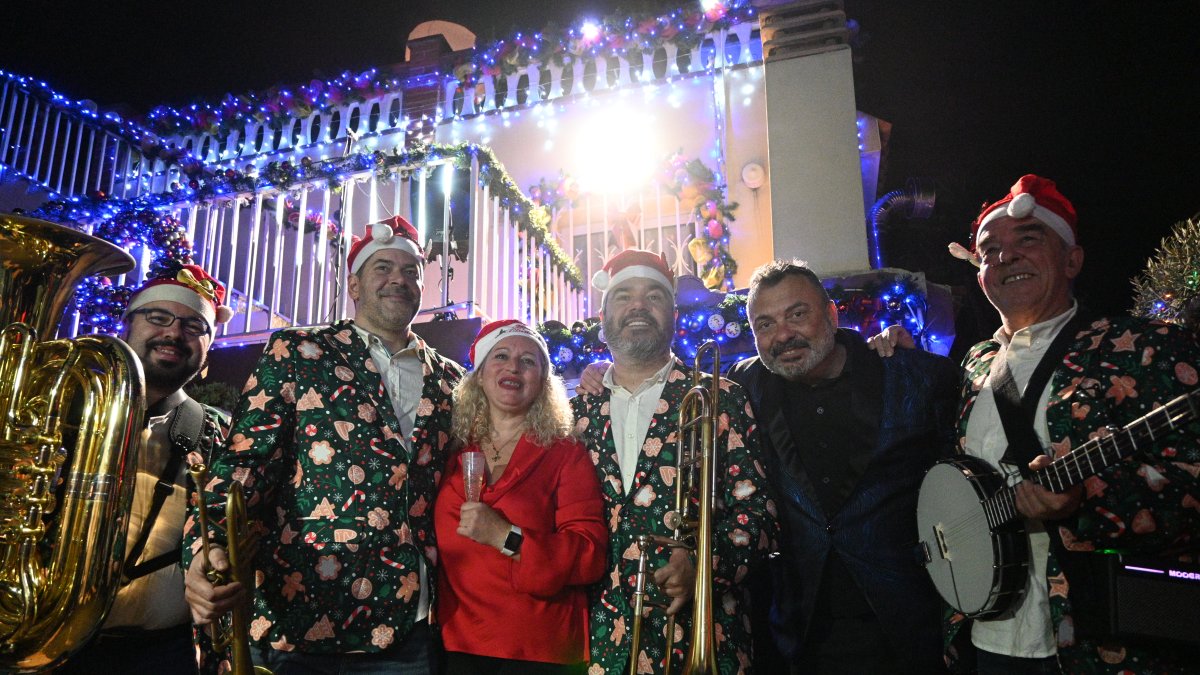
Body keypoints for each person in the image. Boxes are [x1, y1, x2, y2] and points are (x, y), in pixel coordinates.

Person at [183, 216, 464, 673]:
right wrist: (208, 548)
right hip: (300, 619)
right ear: (353, 286)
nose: (399, 278)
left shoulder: (452, 379)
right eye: (383, 268)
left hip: (406, 625)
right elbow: (242, 466)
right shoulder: (296, 352)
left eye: (411, 271)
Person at [944, 175, 1200, 673]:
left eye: (1028, 240)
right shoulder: (977, 363)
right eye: (989, 250)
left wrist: (1088, 498)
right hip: (992, 633)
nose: (1006, 257)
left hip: (1104, 642)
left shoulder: (1143, 347)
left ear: (1072, 260)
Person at [727, 260, 957, 674]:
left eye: (798, 314)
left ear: (831, 313)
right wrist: (606, 371)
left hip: (907, 627)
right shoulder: (745, 386)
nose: (782, 335)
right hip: (799, 634)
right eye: (765, 324)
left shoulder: (910, 374)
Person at [570, 249, 777, 675]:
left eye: (654, 296)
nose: (638, 306)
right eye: (623, 295)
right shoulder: (576, 412)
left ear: (674, 314)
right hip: (597, 645)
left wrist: (704, 564)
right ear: (604, 314)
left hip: (702, 637)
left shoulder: (721, 396)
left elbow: (759, 516)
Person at [58, 263, 233, 673]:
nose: (174, 332)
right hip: (43, 641)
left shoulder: (222, 432)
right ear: (126, 326)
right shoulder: (61, 406)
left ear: (208, 349)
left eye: (194, 326)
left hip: (161, 655)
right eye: (158, 318)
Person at [434, 319, 607, 674]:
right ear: (480, 375)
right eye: (500, 356)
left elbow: (590, 554)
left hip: (540, 647)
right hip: (458, 643)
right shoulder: (448, 448)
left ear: (543, 383)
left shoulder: (565, 453)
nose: (513, 366)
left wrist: (506, 537)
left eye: (528, 361)